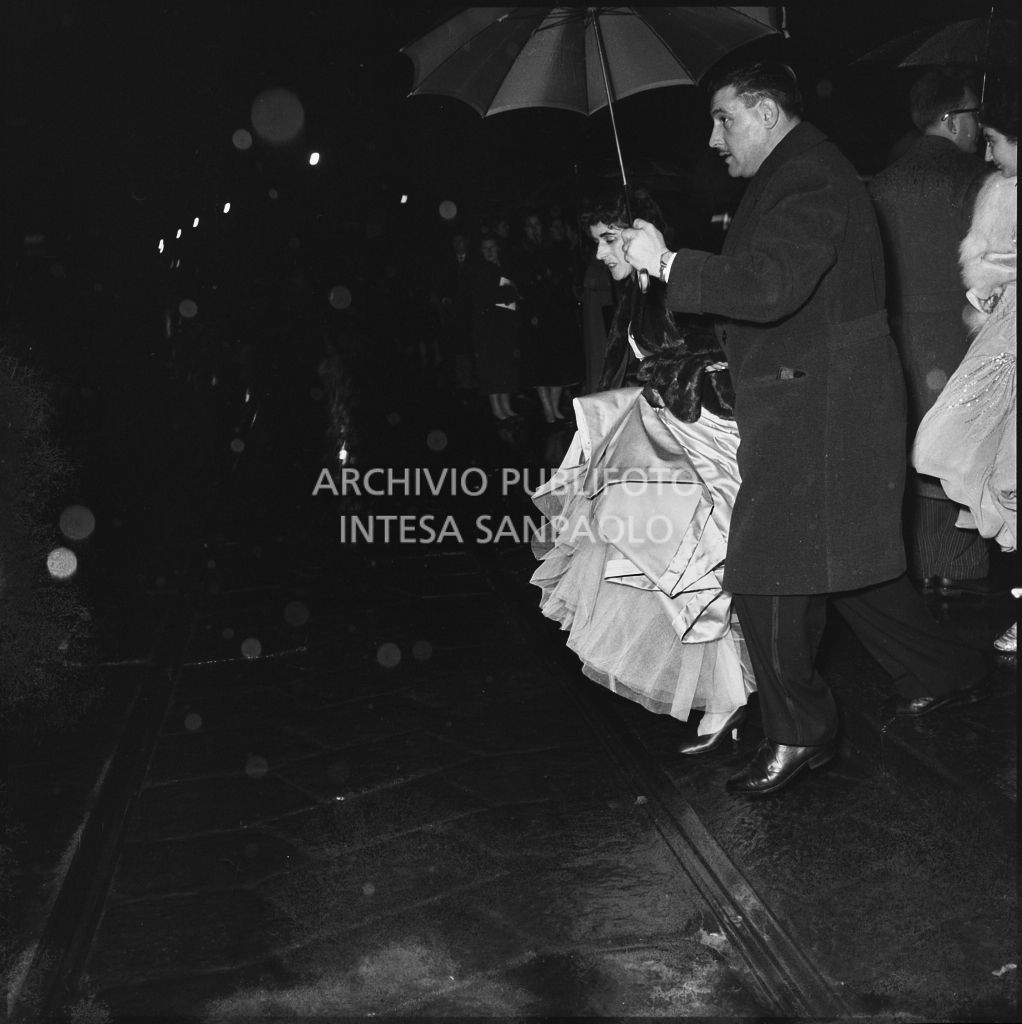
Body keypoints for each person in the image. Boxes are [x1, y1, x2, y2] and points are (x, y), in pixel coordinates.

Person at [621, 61, 989, 796]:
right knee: (851, 562)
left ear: (762, 112)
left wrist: (665, 260)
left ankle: (802, 730)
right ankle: (942, 671)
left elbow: (768, 286)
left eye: (723, 118)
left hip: (822, 409)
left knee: (768, 567)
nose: (713, 137)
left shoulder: (810, 175)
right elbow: (779, 291)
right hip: (823, 400)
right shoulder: (795, 172)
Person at [530, 189, 755, 753]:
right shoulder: (637, 293)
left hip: (695, 448)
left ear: (639, 232)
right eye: (598, 243)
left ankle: (735, 696)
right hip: (659, 450)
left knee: (689, 572)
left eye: (610, 240)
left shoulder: (677, 284)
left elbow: (718, 357)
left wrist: (668, 392)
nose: (602, 254)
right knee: (666, 572)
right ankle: (730, 693)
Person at [869, 69, 990, 595]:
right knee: (962, 460)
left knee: (911, 461)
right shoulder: (975, 182)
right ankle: (958, 586)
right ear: (949, 119)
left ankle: (917, 580)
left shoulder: (883, 181)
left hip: (897, 343)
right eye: (972, 114)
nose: (979, 125)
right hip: (959, 341)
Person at [913, 78, 1017, 653]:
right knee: (951, 448)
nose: (986, 150)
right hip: (1001, 345)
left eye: (997, 138)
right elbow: (987, 266)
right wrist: (993, 287)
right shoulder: (997, 193)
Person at [468, 234, 522, 422]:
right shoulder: (479, 271)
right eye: (485, 248)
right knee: (492, 368)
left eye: (492, 247)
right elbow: (490, 296)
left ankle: (506, 407)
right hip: (489, 327)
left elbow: (516, 292)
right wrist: (508, 293)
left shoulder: (505, 267)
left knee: (505, 366)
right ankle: (497, 409)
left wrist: (510, 293)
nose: (490, 251)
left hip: (506, 324)